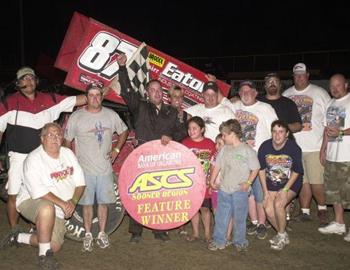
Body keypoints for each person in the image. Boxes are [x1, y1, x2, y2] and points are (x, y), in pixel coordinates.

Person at [0, 67, 88, 238]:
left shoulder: (49, 99)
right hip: (19, 156)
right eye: (24, 78)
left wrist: (98, 92)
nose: (29, 81)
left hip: (44, 158)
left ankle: (37, 226)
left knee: (41, 192)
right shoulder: (8, 102)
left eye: (32, 78)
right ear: (18, 84)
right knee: (14, 193)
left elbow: (76, 100)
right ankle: (14, 231)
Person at [117, 53, 183, 243]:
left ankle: (159, 229)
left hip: (163, 160)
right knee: (138, 194)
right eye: (152, 90)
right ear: (147, 93)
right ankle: (136, 232)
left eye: (159, 90)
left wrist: (171, 137)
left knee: (160, 195)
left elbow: (181, 132)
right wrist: (122, 68)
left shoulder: (172, 111)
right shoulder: (140, 107)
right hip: (142, 158)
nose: (156, 92)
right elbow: (128, 90)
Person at [0, 123, 85, 269]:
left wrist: (73, 201)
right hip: (30, 201)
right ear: (42, 138)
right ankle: (44, 257)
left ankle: (19, 237)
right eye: (50, 135)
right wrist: (63, 204)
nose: (55, 138)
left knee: (55, 245)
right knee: (47, 208)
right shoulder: (34, 159)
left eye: (58, 135)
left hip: (60, 208)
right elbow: (38, 192)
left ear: (62, 138)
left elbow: (81, 183)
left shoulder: (68, 154)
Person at [64, 83, 128, 252]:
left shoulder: (111, 115)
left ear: (102, 96)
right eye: (91, 95)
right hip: (83, 170)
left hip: (105, 169)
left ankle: (101, 234)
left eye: (98, 95)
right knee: (85, 204)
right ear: (86, 97)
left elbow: (124, 131)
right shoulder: (76, 117)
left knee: (103, 203)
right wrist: (70, 161)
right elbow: (66, 141)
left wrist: (116, 149)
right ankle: (87, 235)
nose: (94, 98)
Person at [221, 80, 278, 240]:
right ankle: (253, 221)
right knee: (248, 193)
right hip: (240, 160)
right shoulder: (235, 106)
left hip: (259, 160)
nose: (245, 94)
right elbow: (221, 100)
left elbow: (276, 130)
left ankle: (261, 223)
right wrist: (213, 82)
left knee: (260, 194)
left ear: (255, 92)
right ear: (238, 94)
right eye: (242, 92)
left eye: (249, 91)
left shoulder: (265, 108)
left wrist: (272, 154)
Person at [283, 63, 331, 226]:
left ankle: (323, 209)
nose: (299, 77)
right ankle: (305, 211)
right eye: (296, 75)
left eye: (302, 74)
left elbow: (330, 119)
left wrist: (326, 146)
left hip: (315, 146)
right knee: (302, 182)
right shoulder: (287, 94)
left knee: (316, 181)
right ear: (293, 76)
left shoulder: (320, 93)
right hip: (294, 147)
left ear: (308, 75)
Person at [208, 119, 260, 253]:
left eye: (224, 135)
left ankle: (240, 241)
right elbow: (218, 165)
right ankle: (219, 240)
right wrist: (212, 181)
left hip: (240, 191)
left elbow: (255, 169)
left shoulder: (247, 150)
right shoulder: (224, 149)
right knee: (221, 216)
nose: (223, 138)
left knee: (240, 218)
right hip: (224, 189)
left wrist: (248, 183)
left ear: (232, 134)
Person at [258, 120, 303, 250]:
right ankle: (282, 233)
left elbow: (297, 171)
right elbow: (261, 170)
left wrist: (285, 190)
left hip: (290, 182)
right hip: (271, 182)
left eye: (281, 132)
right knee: (267, 208)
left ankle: (282, 236)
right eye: (275, 132)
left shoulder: (293, 148)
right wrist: (265, 192)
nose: (277, 135)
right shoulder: (264, 146)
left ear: (287, 134)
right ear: (271, 133)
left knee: (278, 204)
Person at [318, 74, 350, 241]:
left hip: (348, 156)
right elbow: (326, 129)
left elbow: (338, 130)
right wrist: (323, 149)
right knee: (334, 192)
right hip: (332, 156)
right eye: (332, 86)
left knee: (348, 193)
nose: (335, 89)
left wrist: (342, 132)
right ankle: (339, 223)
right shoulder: (330, 103)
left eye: (338, 85)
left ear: (346, 84)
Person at [182, 116, 216, 243]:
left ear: (202, 129)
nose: (191, 131)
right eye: (189, 129)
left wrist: (212, 182)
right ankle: (195, 233)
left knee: (205, 209)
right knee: (194, 208)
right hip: (190, 183)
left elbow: (214, 164)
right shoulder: (185, 143)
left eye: (194, 128)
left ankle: (207, 234)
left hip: (205, 184)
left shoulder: (210, 143)